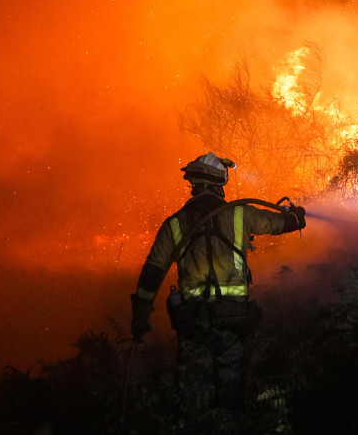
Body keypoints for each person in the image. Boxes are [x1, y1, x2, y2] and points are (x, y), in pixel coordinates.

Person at [130, 152, 305, 413]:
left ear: (194, 184)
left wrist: (140, 318)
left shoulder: (174, 224)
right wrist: (297, 216)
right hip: (232, 316)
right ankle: (230, 422)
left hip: (192, 320)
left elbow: (151, 275)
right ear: (219, 183)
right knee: (231, 386)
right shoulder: (239, 215)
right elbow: (280, 223)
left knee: (194, 392)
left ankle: (198, 423)